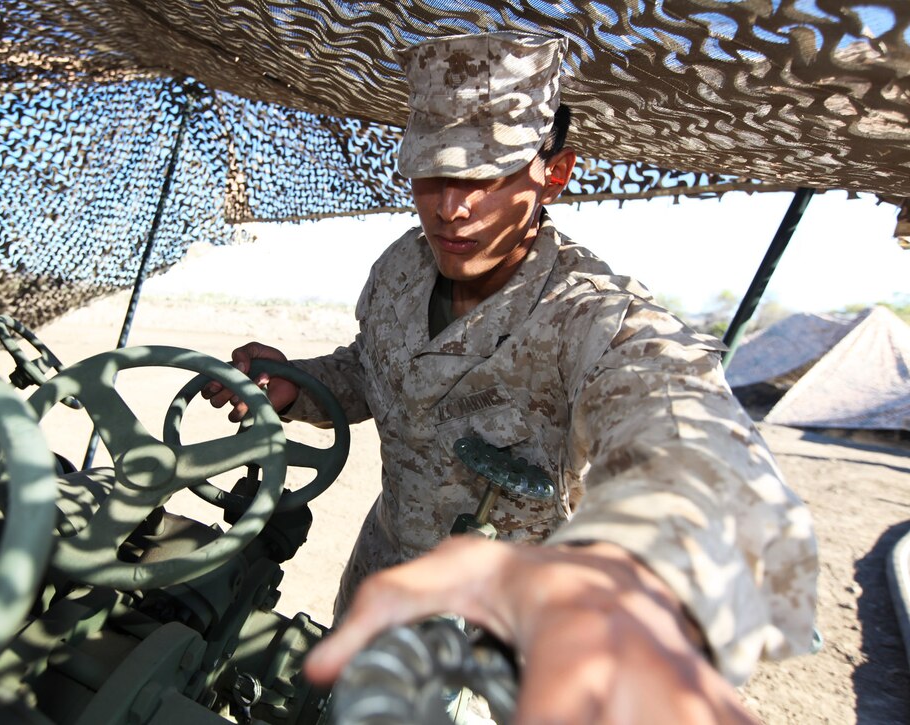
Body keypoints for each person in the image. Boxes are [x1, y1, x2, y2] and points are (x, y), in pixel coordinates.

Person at [204, 31, 818, 722]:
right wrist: (299, 384)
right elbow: (371, 370)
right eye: (433, 172)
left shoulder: (592, 317)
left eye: (485, 176)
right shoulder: (400, 271)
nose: (451, 206)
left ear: (554, 173)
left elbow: (676, 417)